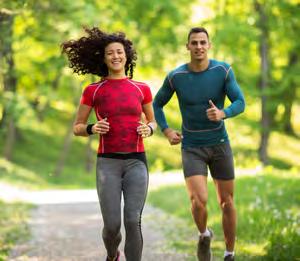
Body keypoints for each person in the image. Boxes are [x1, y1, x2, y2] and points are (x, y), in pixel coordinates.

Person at [61, 27, 156, 261]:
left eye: (119, 52)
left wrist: (149, 129)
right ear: (104, 58)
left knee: (133, 220)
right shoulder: (93, 90)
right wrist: (93, 128)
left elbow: (153, 121)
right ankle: (112, 255)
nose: (116, 56)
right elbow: (77, 127)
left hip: (136, 161)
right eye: (110, 53)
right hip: (108, 164)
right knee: (112, 226)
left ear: (127, 55)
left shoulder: (141, 88)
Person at [153, 27, 245, 261]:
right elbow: (157, 104)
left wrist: (223, 113)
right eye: (194, 43)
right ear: (187, 47)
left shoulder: (222, 70)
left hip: (219, 145)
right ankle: (204, 235)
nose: (199, 47)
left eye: (203, 42)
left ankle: (229, 253)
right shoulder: (176, 76)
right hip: (192, 146)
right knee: (198, 200)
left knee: (227, 202)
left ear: (209, 45)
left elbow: (240, 102)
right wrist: (166, 130)